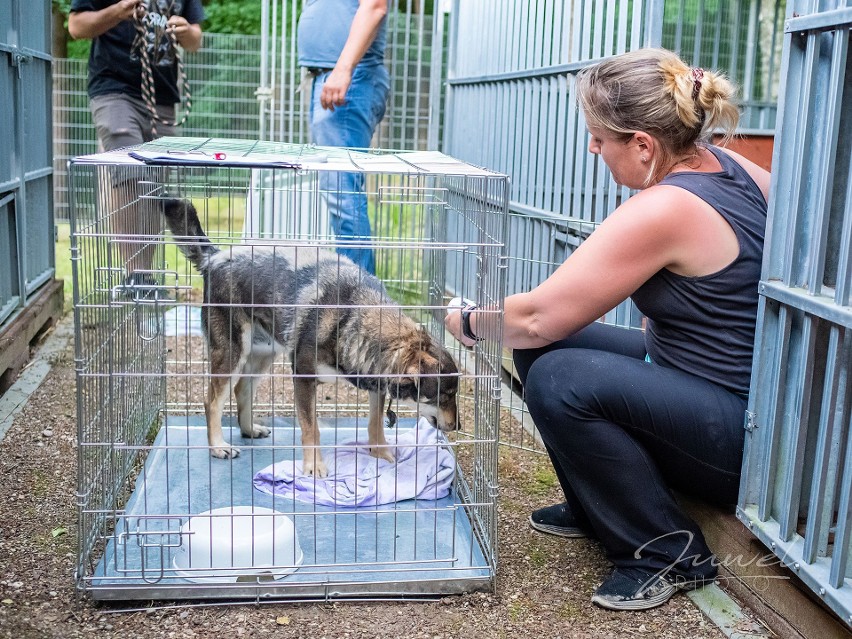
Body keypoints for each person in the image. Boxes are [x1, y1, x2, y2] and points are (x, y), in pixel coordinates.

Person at [446, 48, 770, 611]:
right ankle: (599, 504)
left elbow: (539, 315)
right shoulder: (737, 167)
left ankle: (665, 551)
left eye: (600, 138)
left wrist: (468, 321)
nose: (593, 149)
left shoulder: (666, 207)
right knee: (546, 352)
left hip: (741, 435)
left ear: (643, 145)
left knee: (561, 375)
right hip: (724, 395)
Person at [68, 0, 204, 300]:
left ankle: (146, 276)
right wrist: (117, 12)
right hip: (114, 88)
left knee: (153, 183)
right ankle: (136, 276)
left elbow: (196, 39)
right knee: (128, 169)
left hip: (163, 97)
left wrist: (184, 31)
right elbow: (76, 27)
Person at [297, 0, 391, 274]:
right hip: (334, 76)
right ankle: (356, 298)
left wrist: (343, 68)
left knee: (343, 193)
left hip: (351, 76)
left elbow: (375, 6)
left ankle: (359, 303)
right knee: (340, 193)